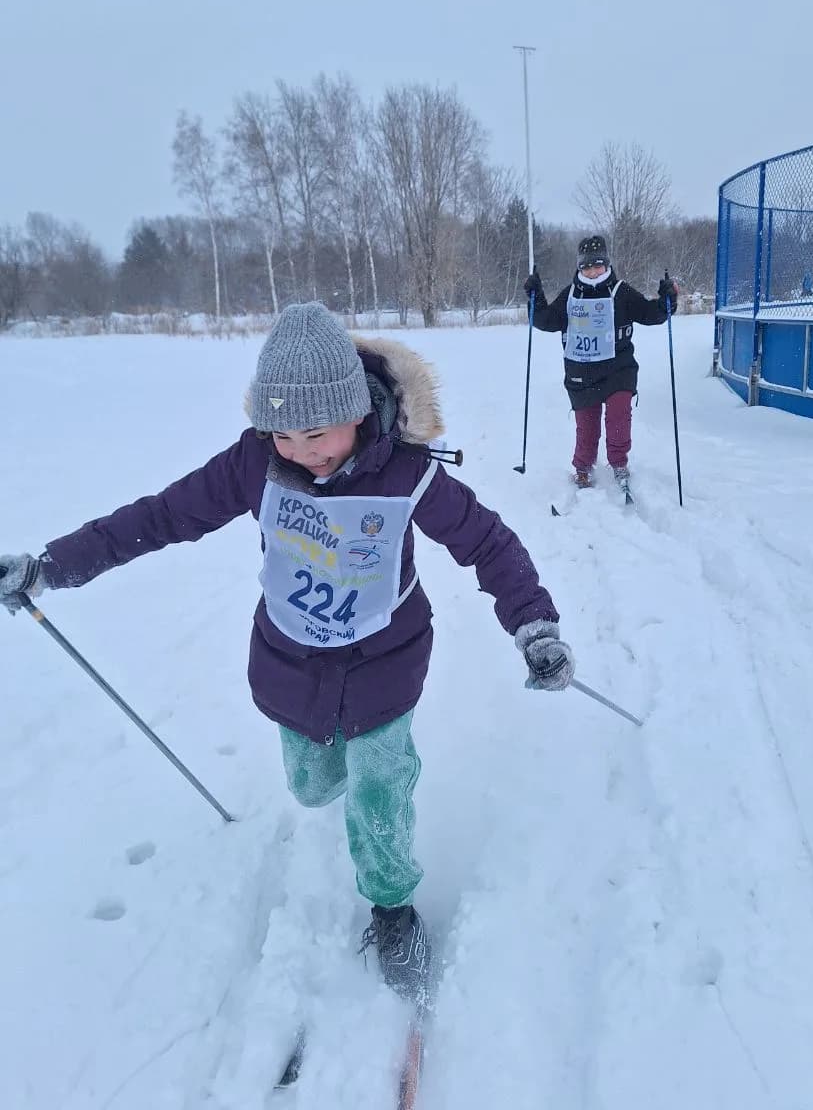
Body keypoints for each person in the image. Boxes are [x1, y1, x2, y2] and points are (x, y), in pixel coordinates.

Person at [0, 302, 575, 1004]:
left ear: (357, 412)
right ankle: (350, 786)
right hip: (292, 665)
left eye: (315, 432)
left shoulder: (407, 476)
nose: (301, 450)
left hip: (383, 664)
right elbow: (160, 516)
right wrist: (52, 566)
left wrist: (534, 625)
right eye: (282, 434)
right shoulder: (254, 466)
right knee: (312, 786)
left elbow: (487, 543)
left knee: (376, 786)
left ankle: (393, 908)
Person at [524, 236, 678, 492]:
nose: (592, 271)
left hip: (618, 370)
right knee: (587, 427)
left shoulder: (621, 291)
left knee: (619, 418)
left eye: (597, 265)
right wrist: (535, 295)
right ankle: (582, 469)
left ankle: (619, 463)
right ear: (579, 267)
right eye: (587, 266)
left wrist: (666, 300)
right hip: (581, 373)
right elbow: (545, 320)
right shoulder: (571, 295)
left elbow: (652, 314)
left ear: (606, 264)